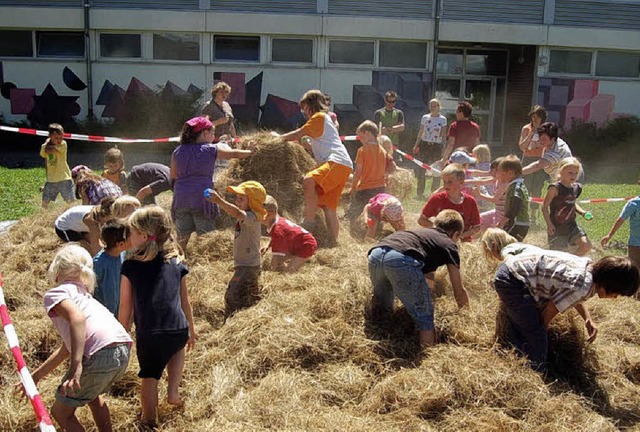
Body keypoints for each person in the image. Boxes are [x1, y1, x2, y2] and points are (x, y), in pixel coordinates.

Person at [482, 228, 639, 371]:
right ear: (610, 284)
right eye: (617, 293)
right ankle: (529, 369)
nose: (615, 297)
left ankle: (517, 347)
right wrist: (539, 337)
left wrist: (587, 318)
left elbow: (571, 293)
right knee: (535, 332)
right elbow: (548, 313)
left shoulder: (589, 269)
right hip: (512, 279)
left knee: (527, 323)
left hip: (515, 272)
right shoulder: (582, 285)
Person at [27, 244, 131, 431]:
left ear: (57, 270)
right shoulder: (84, 295)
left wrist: (77, 366)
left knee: (61, 413)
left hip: (100, 353)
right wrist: (35, 376)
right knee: (92, 395)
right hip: (122, 348)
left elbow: (77, 319)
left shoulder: (56, 294)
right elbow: (67, 348)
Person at [118, 206, 196, 427]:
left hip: (150, 333)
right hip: (178, 327)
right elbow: (184, 301)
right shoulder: (176, 261)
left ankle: (149, 418)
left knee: (149, 377)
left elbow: (126, 307)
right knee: (177, 348)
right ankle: (173, 391)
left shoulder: (130, 266)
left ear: (143, 236)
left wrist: (122, 333)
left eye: (131, 232)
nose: (128, 237)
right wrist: (191, 328)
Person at [368, 209, 470, 348]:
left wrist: (425, 293)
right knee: (425, 317)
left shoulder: (423, 235)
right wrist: (467, 314)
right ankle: (428, 355)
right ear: (456, 234)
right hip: (400, 260)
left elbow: (427, 275)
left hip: (376, 253)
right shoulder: (449, 244)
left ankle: (378, 337)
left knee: (383, 304)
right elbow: (458, 289)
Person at [276, 89, 353, 243]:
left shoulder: (318, 117)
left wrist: (277, 139)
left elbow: (298, 133)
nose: (303, 111)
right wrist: (309, 144)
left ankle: (308, 221)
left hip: (336, 161)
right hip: (342, 164)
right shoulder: (325, 120)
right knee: (329, 208)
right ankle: (333, 242)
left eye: (304, 107)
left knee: (309, 180)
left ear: (311, 105)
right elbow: (320, 142)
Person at [171, 116, 252, 252]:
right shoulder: (209, 149)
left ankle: (177, 261)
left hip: (181, 199)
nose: (214, 136)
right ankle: (205, 261)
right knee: (206, 237)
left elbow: (173, 175)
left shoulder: (178, 151)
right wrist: (250, 151)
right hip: (202, 198)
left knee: (181, 237)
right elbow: (235, 154)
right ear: (205, 133)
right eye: (213, 133)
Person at [205, 181, 266, 318]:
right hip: (243, 264)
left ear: (253, 201)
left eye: (241, 199)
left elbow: (237, 213)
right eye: (236, 198)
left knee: (231, 295)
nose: (237, 201)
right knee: (247, 293)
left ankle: (235, 318)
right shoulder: (249, 215)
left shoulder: (252, 217)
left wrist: (219, 201)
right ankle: (247, 313)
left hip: (248, 266)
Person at [542, 157, 592, 256]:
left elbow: (572, 202)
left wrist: (583, 212)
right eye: (570, 173)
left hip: (572, 225)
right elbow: (544, 207)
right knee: (558, 255)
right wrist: (549, 224)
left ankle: (572, 261)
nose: (573, 176)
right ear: (561, 171)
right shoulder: (555, 188)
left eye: (575, 173)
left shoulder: (577, 188)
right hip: (557, 227)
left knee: (586, 246)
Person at [418, 163, 481, 241]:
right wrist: (439, 230)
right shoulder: (437, 199)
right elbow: (421, 220)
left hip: (463, 243)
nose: (446, 185)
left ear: (461, 182)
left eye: (450, 182)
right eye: (444, 181)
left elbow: (477, 226)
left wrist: (460, 236)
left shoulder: (470, 201)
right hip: (441, 241)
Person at [346, 120, 392, 223]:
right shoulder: (383, 151)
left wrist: (353, 189)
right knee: (375, 215)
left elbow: (358, 173)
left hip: (364, 189)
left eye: (361, 137)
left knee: (351, 215)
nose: (360, 140)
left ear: (368, 133)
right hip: (380, 188)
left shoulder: (362, 150)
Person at [262, 195, 318, 273]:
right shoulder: (277, 223)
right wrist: (268, 245)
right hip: (296, 244)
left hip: (306, 245)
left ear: (271, 213)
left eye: (261, 214)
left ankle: (288, 274)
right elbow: (276, 238)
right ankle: (283, 270)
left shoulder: (278, 229)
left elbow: (276, 257)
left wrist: (271, 274)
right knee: (279, 261)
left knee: (289, 271)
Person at [93, 219, 129, 316]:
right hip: (103, 314)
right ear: (120, 244)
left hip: (118, 310)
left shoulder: (122, 253)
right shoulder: (99, 263)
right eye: (129, 237)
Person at [413, 98, 447, 198]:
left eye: (435, 106)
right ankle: (420, 193)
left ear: (439, 107)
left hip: (436, 146)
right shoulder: (425, 117)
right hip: (424, 144)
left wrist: (444, 148)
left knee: (435, 169)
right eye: (431, 106)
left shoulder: (443, 119)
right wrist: (416, 144)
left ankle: (434, 193)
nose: (432, 108)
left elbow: (444, 135)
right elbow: (421, 131)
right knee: (422, 168)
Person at [519, 106, 547, 223]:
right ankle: (523, 214)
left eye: (537, 117)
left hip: (540, 161)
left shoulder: (547, 129)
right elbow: (522, 147)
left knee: (537, 188)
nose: (534, 119)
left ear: (542, 118)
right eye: (533, 116)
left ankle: (533, 216)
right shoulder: (526, 129)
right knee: (525, 187)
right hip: (527, 160)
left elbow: (549, 145)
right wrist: (532, 133)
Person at [601, 189, 640, 273]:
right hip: (636, 245)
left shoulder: (633, 203)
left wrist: (609, 235)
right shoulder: (634, 203)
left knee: (634, 271)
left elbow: (620, 220)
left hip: (635, 244)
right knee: (634, 270)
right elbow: (620, 220)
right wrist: (609, 235)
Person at [40, 123, 74, 208]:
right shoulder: (44, 146)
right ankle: (43, 216)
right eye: (56, 138)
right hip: (51, 179)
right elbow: (44, 153)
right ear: (50, 136)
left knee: (70, 201)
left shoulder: (63, 144)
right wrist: (47, 144)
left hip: (64, 178)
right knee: (45, 201)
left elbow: (50, 150)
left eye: (61, 137)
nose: (59, 140)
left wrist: (48, 143)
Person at [498, 155, 530, 241]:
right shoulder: (517, 185)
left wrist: (505, 219)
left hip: (517, 222)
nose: (501, 176)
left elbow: (516, 203)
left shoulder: (516, 186)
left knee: (507, 244)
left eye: (502, 174)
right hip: (519, 223)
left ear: (511, 173)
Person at [374, 91, 405, 162]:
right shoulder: (379, 113)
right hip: (381, 144)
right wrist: (392, 129)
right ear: (385, 100)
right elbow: (376, 129)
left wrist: (390, 129)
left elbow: (402, 127)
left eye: (393, 101)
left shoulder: (399, 113)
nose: (391, 103)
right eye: (389, 101)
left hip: (394, 144)